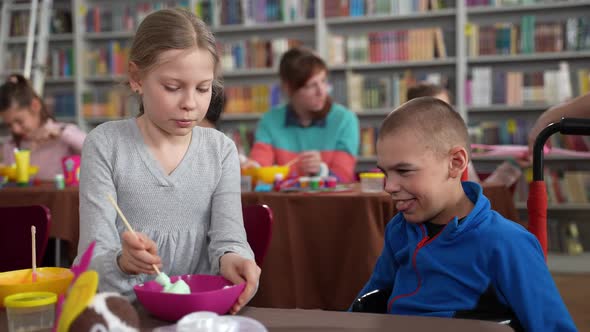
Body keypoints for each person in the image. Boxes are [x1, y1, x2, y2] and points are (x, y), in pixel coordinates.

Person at [74, 8, 259, 314]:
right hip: (124, 315)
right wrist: (123, 263)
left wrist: (234, 259)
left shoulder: (221, 150)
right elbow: (90, 263)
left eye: (203, 89)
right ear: (136, 78)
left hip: (199, 315)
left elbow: (229, 241)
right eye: (173, 88)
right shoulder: (106, 144)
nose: (190, 103)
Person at [353, 97, 576, 331]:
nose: (389, 186)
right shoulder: (399, 230)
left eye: (404, 170)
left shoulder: (506, 243)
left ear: (456, 163)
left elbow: (553, 326)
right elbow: (369, 300)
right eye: (385, 173)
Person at [247, 46, 360, 183]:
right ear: (288, 88)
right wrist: (250, 169)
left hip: (330, 204)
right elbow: (259, 167)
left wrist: (321, 170)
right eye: (311, 85)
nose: (321, 91)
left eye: (323, 81)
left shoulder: (345, 120)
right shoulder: (270, 121)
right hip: (283, 203)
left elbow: (344, 177)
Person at [0, 74, 86, 180]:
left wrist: (62, 133)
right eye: (9, 125)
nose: (15, 129)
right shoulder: (10, 147)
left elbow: (100, 152)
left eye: (19, 121)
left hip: (61, 196)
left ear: (35, 106)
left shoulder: (64, 134)